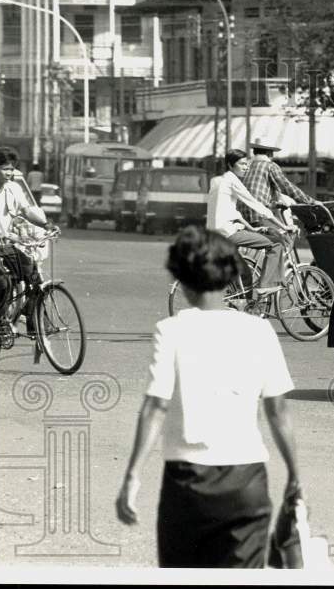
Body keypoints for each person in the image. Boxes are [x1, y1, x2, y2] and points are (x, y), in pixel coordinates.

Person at [115, 226, 300, 568]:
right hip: (247, 482)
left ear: (182, 281)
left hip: (188, 485)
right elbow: (278, 411)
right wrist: (294, 476)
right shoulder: (259, 330)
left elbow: (155, 407)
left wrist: (131, 477)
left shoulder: (171, 330)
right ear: (231, 274)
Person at [206, 149, 296, 295]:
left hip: (213, 235)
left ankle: (242, 308)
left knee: (244, 275)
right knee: (277, 243)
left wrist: (252, 229)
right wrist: (284, 226)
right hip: (227, 233)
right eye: (242, 164)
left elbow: (233, 212)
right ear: (230, 165)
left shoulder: (216, 181)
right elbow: (255, 204)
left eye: (246, 164)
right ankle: (265, 285)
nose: (246, 167)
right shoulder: (232, 180)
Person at [0, 148, 59, 338]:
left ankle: (34, 321)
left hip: (6, 245)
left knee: (32, 273)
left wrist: (46, 225)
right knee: (3, 282)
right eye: (5, 169)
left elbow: (27, 211)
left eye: (12, 169)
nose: (9, 173)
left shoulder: (13, 188)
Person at [240, 137, 314, 227]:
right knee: (286, 233)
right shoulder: (270, 166)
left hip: (242, 216)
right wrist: (310, 201)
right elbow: (286, 186)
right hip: (258, 215)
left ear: (254, 152)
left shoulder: (246, 166)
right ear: (269, 153)